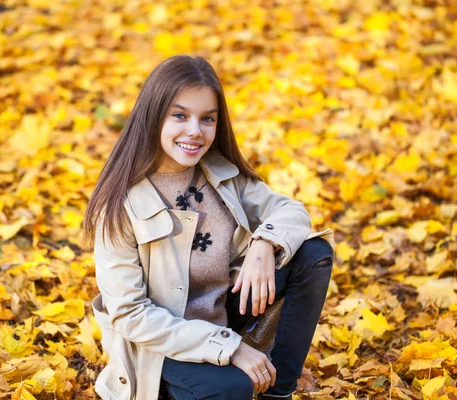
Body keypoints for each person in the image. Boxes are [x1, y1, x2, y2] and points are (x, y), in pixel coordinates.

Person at [81, 55, 335, 400]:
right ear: (154, 115)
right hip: (163, 347)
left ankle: (279, 392)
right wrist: (231, 348)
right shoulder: (120, 205)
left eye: (207, 119)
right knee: (234, 388)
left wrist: (263, 244)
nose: (194, 131)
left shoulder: (220, 173)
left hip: (222, 314)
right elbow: (132, 315)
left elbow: (290, 211)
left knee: (312, 253)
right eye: (180, 115)